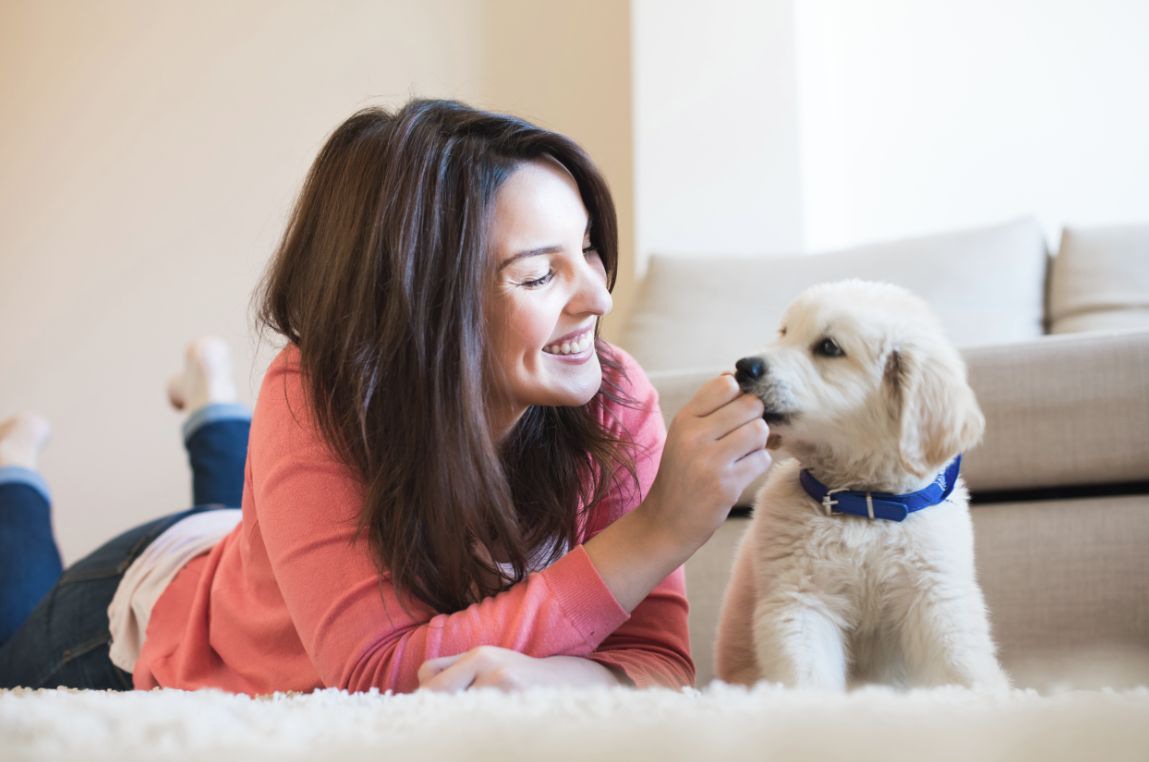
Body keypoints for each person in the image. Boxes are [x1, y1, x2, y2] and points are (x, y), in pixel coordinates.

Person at [0, 99, 770, 694]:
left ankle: (211, 408)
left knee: (252, 524)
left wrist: (546, 676)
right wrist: (659, 531)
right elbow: (371, 671)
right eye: (539, 275)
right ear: (421, 304)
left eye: (590, 251)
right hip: (139, 610)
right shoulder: (322, 388)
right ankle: (18, 471)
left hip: (257, 554)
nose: (597, 296)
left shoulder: (611, 398)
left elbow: (656, 663)